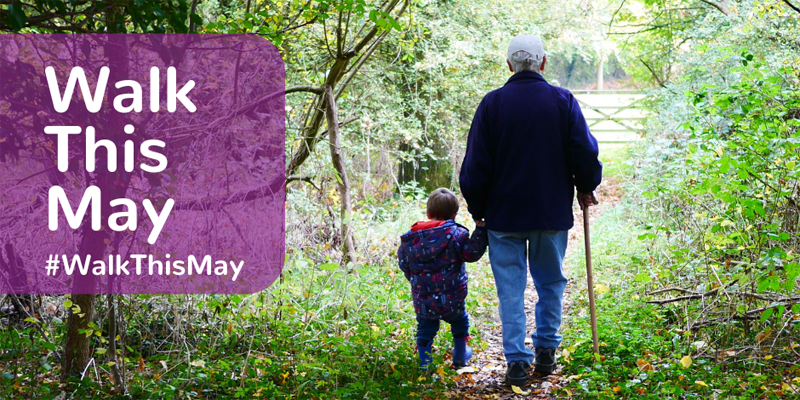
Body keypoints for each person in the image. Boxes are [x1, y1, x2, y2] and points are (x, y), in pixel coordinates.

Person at [459, 34, 603, 386]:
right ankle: (546, 352)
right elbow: (584, 152)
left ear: (509, 65)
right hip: (549, 213)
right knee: (550, 283)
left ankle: (517, 363)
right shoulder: (562, 101)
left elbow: (475, 166)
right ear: (542, 62)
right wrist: (586, 185)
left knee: (510, 289)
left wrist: (478, 210)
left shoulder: (492, 105)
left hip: (503, 216)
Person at [397, 188, 488, 370]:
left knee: (425, 327)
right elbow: (471, 254)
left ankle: (425, 364)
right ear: (454, 215)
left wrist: (418, 283)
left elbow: (404, 264)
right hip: (452, 296)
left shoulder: (411, 239)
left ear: (428, 213)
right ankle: (460, 356)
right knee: (460, 321)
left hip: (423, 298)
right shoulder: (457, 235)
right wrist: (480, 230)